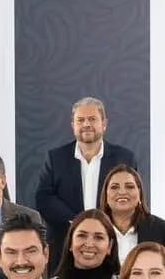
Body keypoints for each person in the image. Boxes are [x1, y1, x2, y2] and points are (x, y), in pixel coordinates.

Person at [34, 97, 138, 269]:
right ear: (73, 125)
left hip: (112, 245)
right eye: (80, 120)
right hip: (66, 247)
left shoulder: (124, 158)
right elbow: (44, 198)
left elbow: (132, 198)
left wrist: (102, 227)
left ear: (104, 124)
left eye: (92, 119)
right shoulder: (55, 158)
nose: (86, 124)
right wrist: (78, 223)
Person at [100, 164, 165, 264]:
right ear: (106, 195)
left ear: (139, 193)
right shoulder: (94, 227)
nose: (122, 192)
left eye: (130, 187)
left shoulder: (159, 227)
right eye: (114, 187)